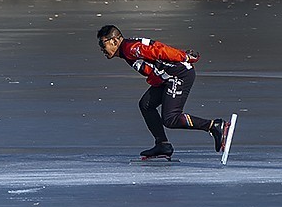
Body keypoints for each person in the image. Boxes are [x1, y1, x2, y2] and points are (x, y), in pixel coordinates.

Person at [96, 25, 231, 160]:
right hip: (167, 78)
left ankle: (214, 126)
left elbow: (158, 49)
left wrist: (184, 56)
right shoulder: (127, 49)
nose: (101, 49)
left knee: (170, 118)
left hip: (179, 75)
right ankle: (162, 145)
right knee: (146, 104)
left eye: (102, 44)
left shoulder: (130, 49)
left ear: (114, 41)